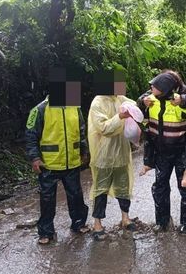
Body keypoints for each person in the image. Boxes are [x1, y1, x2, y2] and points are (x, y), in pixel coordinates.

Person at [138, 72, 186, 234]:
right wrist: (143, 102)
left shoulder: (182, 97)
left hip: (181, 152)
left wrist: (182, 101)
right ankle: (162, 222)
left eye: (155, 86)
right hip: (162, 152)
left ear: (166, 89)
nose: (151, 88)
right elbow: (138, 104)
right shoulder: (151, 97)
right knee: (160, 187)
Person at [25, 97, 90, 244]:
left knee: (76, 195)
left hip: (71, 162)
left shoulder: (74, 107)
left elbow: (81, 130)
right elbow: (31, 135)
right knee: (47, 199)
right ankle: (46, 232)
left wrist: (83, 151)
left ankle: (79, 224)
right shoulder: (40, 109)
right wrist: (35, 158)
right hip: (49, 163)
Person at [87, 93, 140, 241]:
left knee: (123, 187)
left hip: (121, 152)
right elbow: (103, 128)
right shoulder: (97, 102)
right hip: (104, 155)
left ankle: (125, 218)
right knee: (101, 189)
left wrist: (141, 103)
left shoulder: (120, 99)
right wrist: (120, 117)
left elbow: (135, 103)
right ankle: (97, 224)